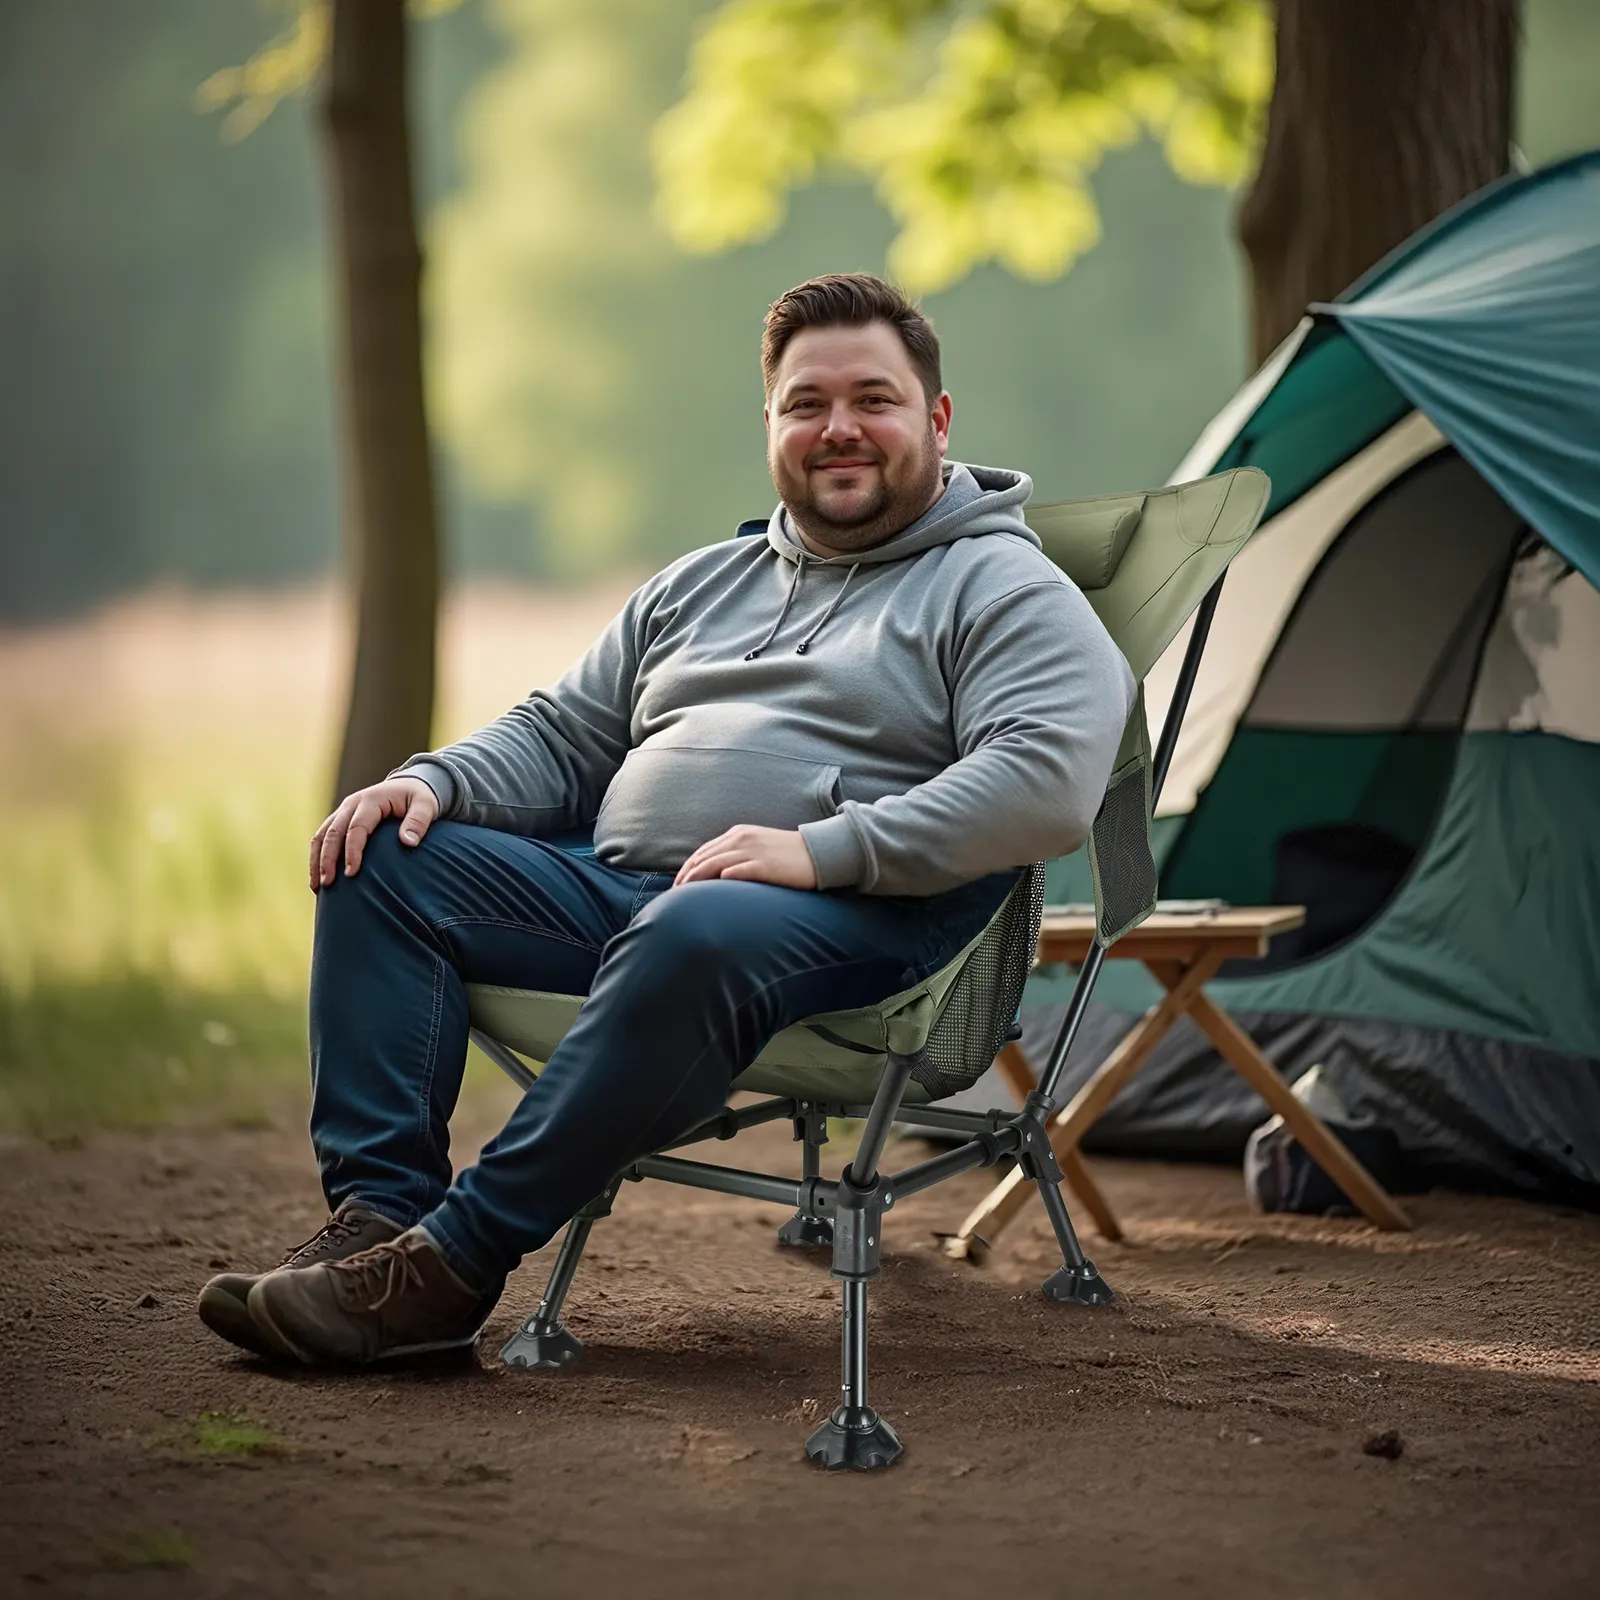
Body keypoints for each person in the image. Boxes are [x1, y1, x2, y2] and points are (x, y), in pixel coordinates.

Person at [197, 272, 1135, 1366]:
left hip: (858, 920)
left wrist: (817, 852)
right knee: (384, 858)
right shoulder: (702, 582)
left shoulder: (1001, 588)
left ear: (934, 418)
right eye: (805, 404)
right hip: (633, 894)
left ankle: (447, 1269)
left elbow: (1044, 783)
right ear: (771, 424)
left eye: (873, 399)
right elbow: (560, 737)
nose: (839, 428)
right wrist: (436, 780)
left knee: (692, 930)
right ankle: (374, 1230)